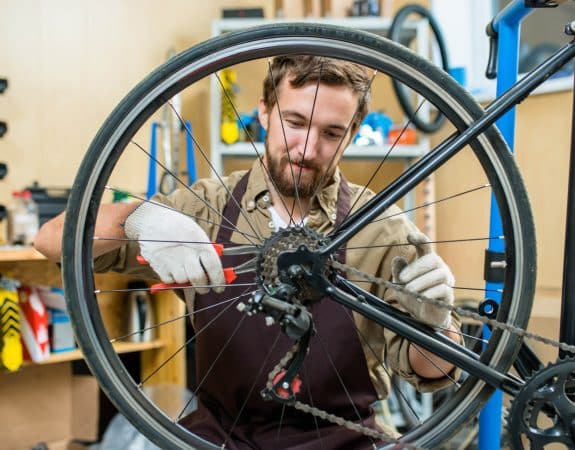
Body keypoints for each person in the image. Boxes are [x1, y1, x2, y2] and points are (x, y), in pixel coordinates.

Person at [35, 55, 461, 449]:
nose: (308, 149)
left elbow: (435, 370)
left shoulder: (383, 228)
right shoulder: (207, 206)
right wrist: (138, 219)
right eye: (295, 122)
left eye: (331, 133)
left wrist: (436, 324)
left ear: (351, 134)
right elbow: (51, 239)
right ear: (264, 111)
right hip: (219, 439)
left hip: (343, 440)